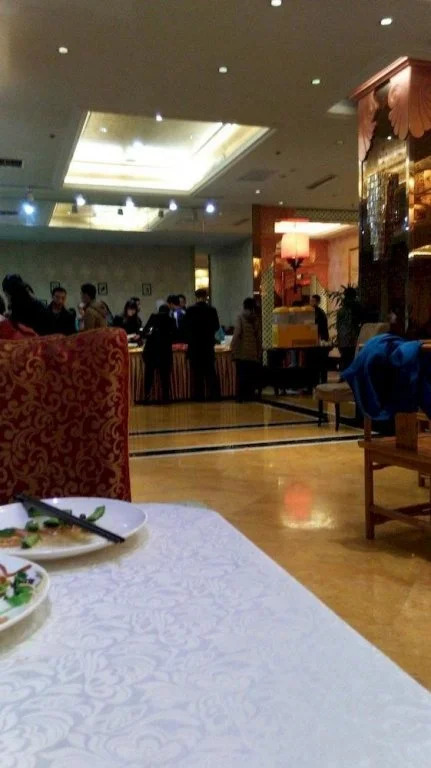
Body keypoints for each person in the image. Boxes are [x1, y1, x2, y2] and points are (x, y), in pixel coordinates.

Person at [185, 288, 220, 401]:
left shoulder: (190, 310)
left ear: (196, 297)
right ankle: (214, 395)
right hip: (208, 345)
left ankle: (199, 396)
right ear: (206, 297)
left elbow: (185, 327)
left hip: (195, 346)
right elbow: (216, 327)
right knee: (210, 372)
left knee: (197, 373)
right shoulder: (212, 310)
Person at [142, 303, 176, 403]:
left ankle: (147, 396)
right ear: (168, 312)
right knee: (165, 377)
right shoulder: (171, 320)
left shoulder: (153, 318)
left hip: (151, 351)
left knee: (149, 375)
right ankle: (166, 397)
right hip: (165, 352)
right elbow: (175, 335)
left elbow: (145, 332)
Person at [231, 297, 262, 402]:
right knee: (250, 375)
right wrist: (259, 351)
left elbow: (237, 333)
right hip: (253, 352)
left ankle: (241, 397)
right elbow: (258, 337)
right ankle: (250, 396)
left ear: (244, 306)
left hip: (242, 351)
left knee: (241, 375)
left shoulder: (240, 317)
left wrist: (232, 346)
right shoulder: (255, 318)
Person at [336, 287, 363, 371]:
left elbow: (338, 324)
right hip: (351, 335)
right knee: (350, 356)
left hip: (343, 335)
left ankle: (344, 372)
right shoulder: (356, 306)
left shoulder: (342, 309)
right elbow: (359, 320)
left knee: (344, 356)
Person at [310, 294, 329, 387]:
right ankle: (316, 380)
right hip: (314, 340)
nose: (311, 302)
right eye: (311, 301)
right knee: (315, 362)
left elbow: (322, 328)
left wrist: (322, 339)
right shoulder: (312, 312)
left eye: (313, 301)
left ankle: (322, 380)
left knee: (321, 361)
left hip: (320, 340)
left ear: (318, 302)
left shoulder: (320, 313)